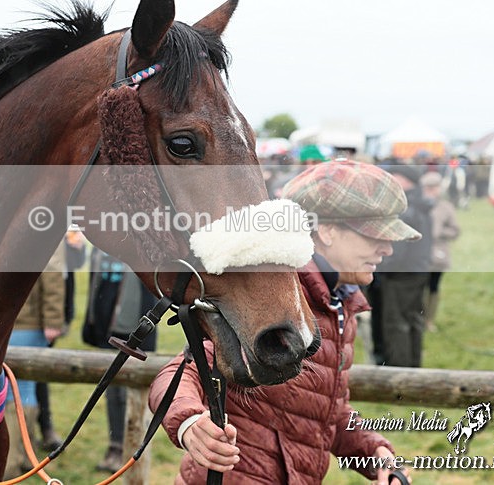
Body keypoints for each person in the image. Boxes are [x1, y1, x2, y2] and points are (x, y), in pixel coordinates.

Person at [149, 159, 417, 484]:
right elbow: (180, 374)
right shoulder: (273, 301)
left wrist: (375, 453)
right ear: (328, 231)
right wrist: (190, 424)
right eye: (375, 235)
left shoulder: (340, 303)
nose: (387, 248)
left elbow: (323, 411)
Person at [82, 248, 157, 473]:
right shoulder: (100, 244)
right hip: (106, 328)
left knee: (128, 394)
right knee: (112, 391)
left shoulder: (140, 244)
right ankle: (115, 447)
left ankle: (129, 451)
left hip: (132, 329)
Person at [3, 244, 66, 478]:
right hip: (20, 320)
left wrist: (52, 319)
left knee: (19, 389)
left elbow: (52, 273)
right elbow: (53, 271)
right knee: (20, 389)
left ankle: (15, 459)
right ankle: (19, 458)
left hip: (23, 320)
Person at [368, 163, 433, 367]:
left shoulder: (406, 210)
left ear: (406, 181)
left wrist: (379, 267)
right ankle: (414, 367)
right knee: (413, 320)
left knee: (396, 323)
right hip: (417, 271)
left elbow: (397, 249)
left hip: (399, 275)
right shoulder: (421, 204)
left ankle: (399, 373)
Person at [421, 171, 461, 332]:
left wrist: (440, 233)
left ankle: (429, 319)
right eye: (428, 187)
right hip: (419, 254)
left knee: (433, 286)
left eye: (434, 187)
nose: (432, 191)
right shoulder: (418, 205)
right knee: (418, 286)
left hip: (438, 254)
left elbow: (455, 230)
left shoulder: (446, 207)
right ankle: (419, 316)